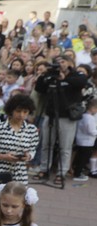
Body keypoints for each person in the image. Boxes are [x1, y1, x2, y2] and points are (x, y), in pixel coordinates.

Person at [33, 57, 88, 185]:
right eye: (57, 62)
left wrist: (64, 79)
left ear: (69, 63)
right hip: (50, 114)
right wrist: (43, 75)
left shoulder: (76, 74)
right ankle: (44, 169)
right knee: (46, 144)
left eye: (63, 61)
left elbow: (81, 82)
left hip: (67, 116)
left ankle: (61, 172)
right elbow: (39, 88)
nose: (60, 65)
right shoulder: (51, 75)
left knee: (65, 146)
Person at [0, 92, 39, 204]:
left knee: (18, 204)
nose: (21, 115)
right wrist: (2, 156)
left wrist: (28, 156)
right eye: (18, 111)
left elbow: (33, 149)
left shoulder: (32, 130)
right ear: (11, 111)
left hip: (20, 172)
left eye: (25, 112)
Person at [71, 98, 97, 181]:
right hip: (87, 142)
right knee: (83, 159)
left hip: (81, 140)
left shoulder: (83, 116)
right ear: (93, 108)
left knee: (79, 157)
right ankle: (78, 174)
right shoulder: (90, 118)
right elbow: (92, 131)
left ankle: (77, 171)